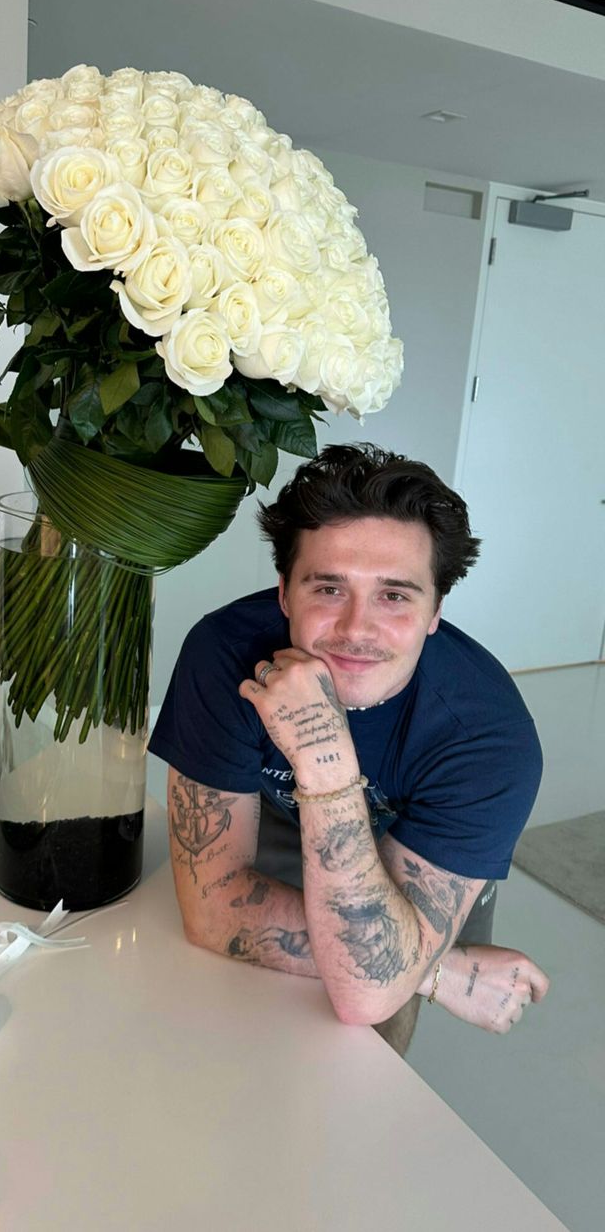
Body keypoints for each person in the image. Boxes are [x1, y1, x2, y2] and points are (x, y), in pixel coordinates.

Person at [149, 444, 550, 1054]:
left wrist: (322, 751)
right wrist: (439, 973)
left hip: (422, 856)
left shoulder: (489, 742)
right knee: (217, 1024)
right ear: (283, 593)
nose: (357, 629)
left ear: (436, 610)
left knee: (360, 1046)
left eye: (395, 595)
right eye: (329, 588)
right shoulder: (223, 653)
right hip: (278, 822)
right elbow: (210, 913)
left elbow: (369, 992)